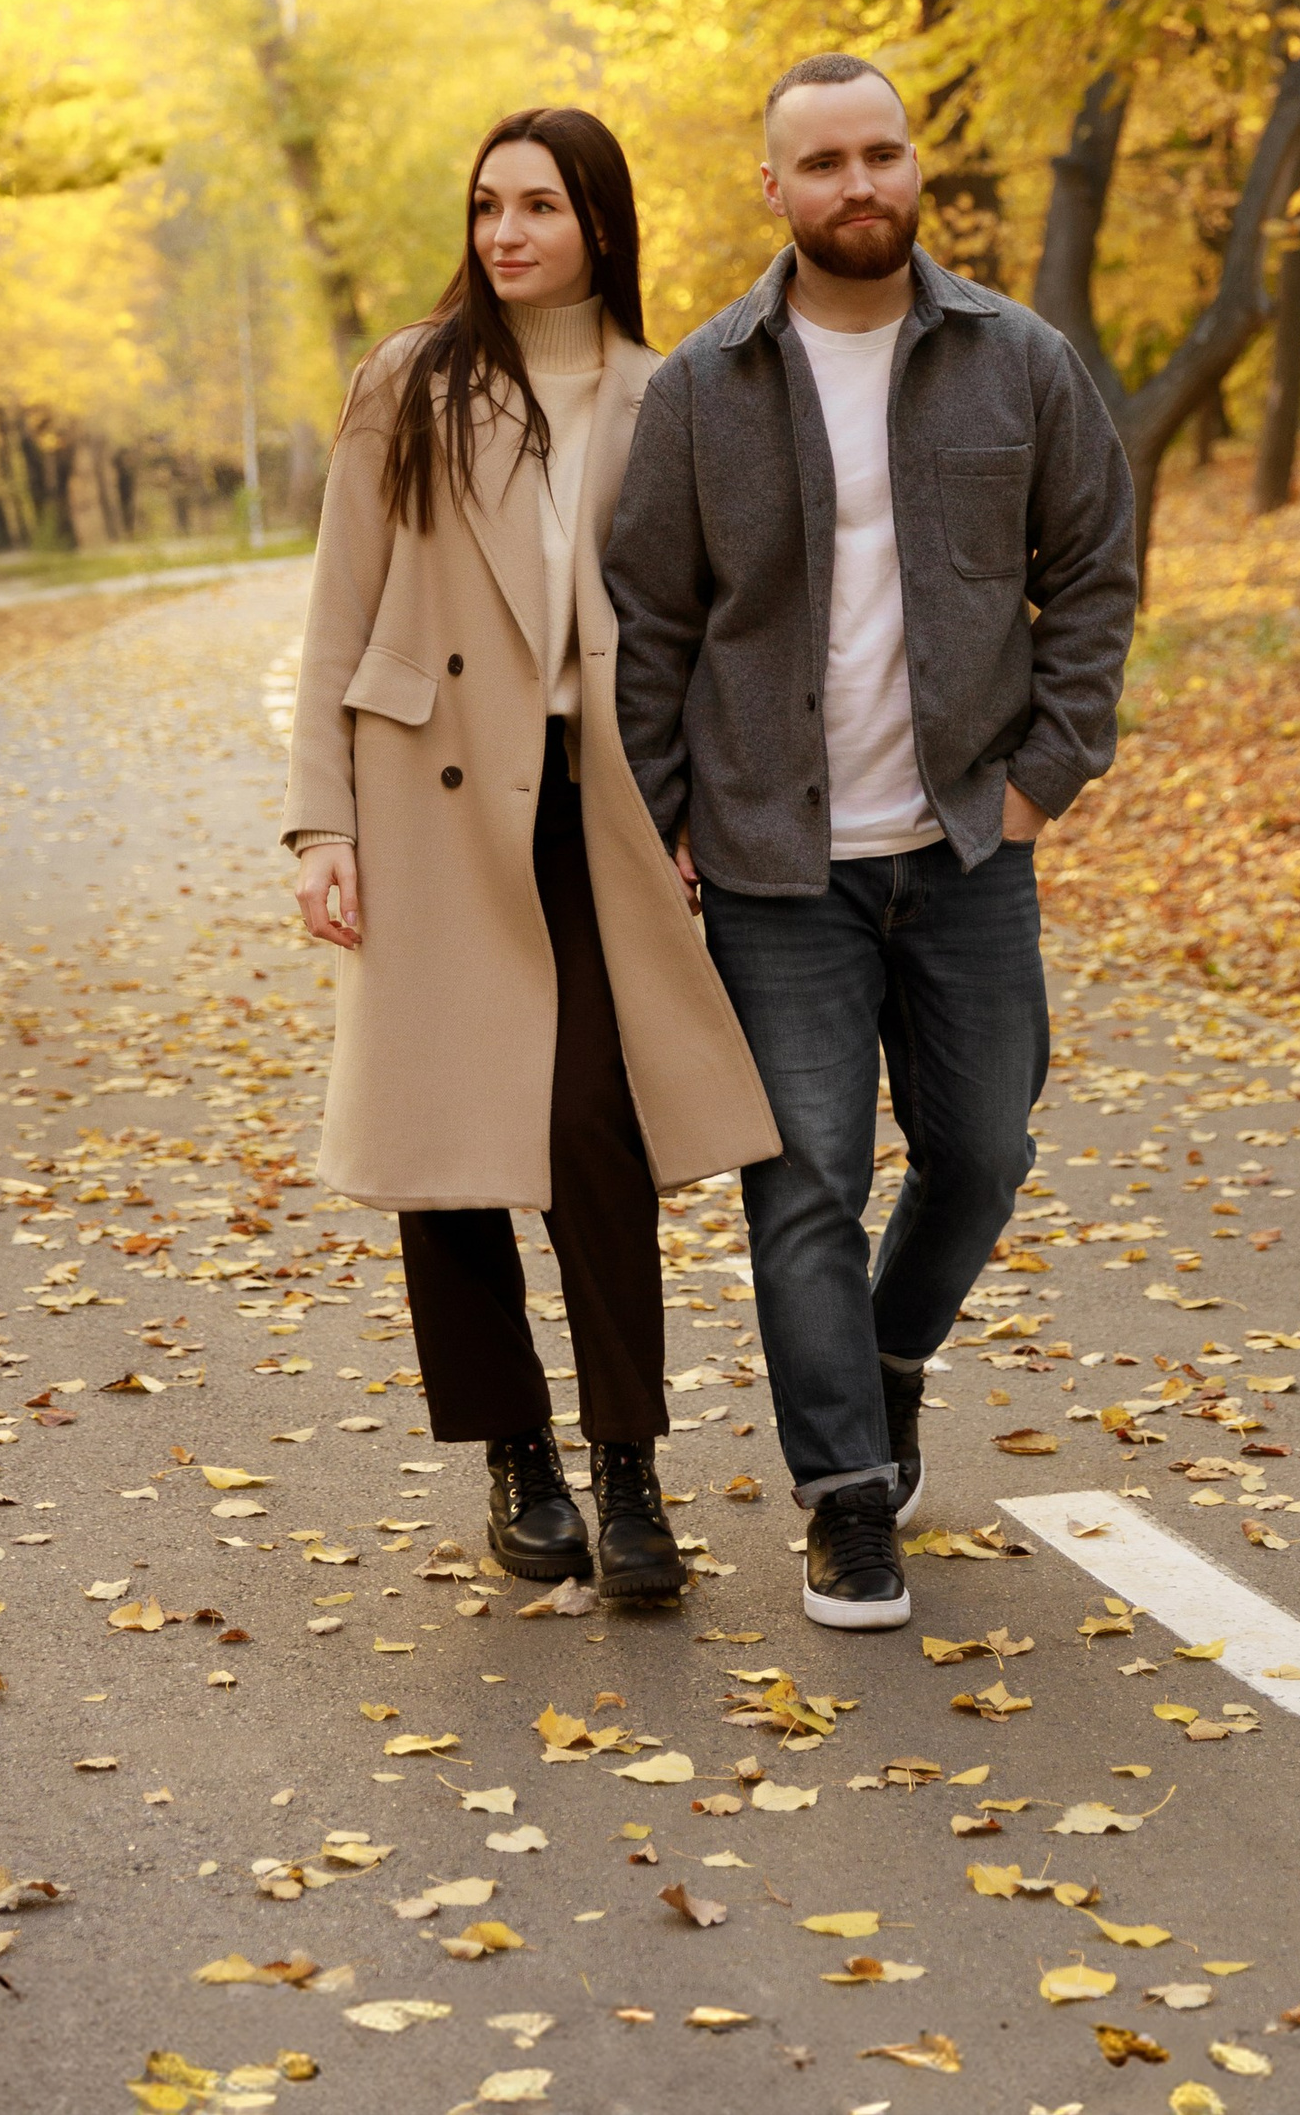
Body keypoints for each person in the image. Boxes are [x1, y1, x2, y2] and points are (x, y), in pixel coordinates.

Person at [606, 53, 1139, 1631]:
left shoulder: (1016, 359)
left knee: (984, 1153)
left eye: (882, 153)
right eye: (823, 161)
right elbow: (652, 624)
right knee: (809, 1183)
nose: (859, 184)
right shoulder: (707, 386)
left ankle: (892, 1356)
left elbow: (1096, 573)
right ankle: (845, 1499)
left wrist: (1046, 775)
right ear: (772, 188)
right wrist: (661, 830)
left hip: (971, 846)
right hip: (778, 867)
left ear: (918, 168)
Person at [282, 109, 778, 1603]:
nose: (506, 232)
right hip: (428, 799)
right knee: (448, 1155)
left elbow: (705, 626)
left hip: (596, 804)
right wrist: (322, 824)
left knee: (590, 1134)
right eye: (487, 203)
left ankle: (630, 1468)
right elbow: (337, 611)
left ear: (600, 224)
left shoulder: (665, 391)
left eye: (539, 205)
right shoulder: (409, 383)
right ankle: (518, 1461)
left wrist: (700, 810)